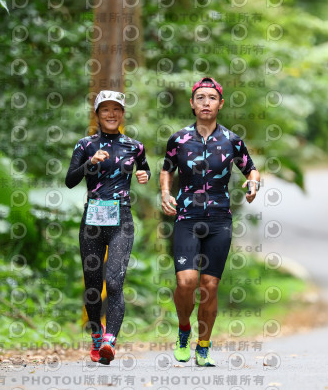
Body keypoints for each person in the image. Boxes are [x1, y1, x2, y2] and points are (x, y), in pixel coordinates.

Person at [160, 77, 260, 366]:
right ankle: (184, 330)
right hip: (187, 218)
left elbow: (251, 170)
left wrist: (253, 184)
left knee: (209, 285)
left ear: (221, 104)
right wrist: (165, 192)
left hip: (219, 220)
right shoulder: (178, 140)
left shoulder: (232, 140)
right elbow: (166, 169)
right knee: (186, 281)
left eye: (212, 98)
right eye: (200, 98)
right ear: (192, 104)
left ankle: (203, 345)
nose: (206, 103)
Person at [65, 90, 150, 364]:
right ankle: (96, 335)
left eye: (116, 109)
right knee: (92, 287)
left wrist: (144, 174)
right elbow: (69, 180)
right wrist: (89, 164)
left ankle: (110, 341)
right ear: (98, 114)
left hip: (121, 221)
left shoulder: (134, 146)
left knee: (114, 282)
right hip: (92, 221)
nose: (111, 114)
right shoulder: (85, 145)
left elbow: (145, 168)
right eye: (105, 109)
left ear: (122, 114)